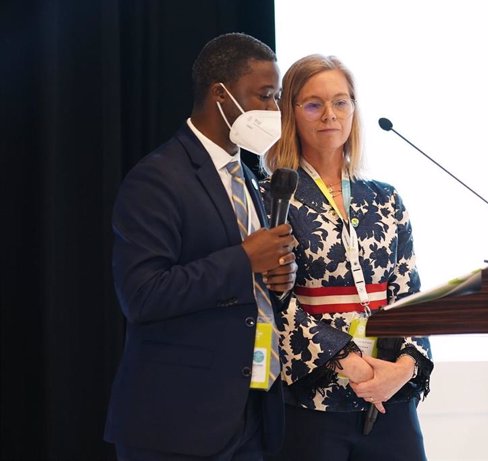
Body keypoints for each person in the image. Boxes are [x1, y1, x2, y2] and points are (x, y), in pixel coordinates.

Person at [104, 33, 298, 460]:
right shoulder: (157, 177)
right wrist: (245, 259)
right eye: (264, 97)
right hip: (177, 421)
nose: (273, 111)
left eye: (277, 97)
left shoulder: (246, 176)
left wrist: (276, 278)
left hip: (250, 409)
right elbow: (142, 296)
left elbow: (250, 283)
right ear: (220, 94)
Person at [261, 54, 433, 461]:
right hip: (313, 404)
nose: (330, 115)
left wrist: (404, 367)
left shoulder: (385, 198)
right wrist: (347, 360)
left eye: (341, 102)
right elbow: (273, 302)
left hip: (389, 399)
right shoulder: (273, 195)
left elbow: (411, 295)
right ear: (291, 113)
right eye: (313, 104)